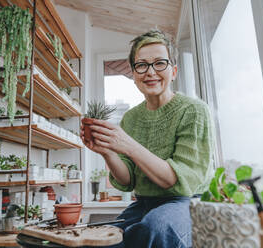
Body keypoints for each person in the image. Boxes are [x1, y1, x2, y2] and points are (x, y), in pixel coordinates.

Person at [80, 29, 214, 248]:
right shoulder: (131, 118)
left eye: (160, 63)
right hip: (143, 203)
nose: (150, 72)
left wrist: (128, 145)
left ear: (174, 71)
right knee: (102, 239)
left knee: (158, 228)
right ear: (134, 75)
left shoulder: (194, 110)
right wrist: (107, 151)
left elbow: (179, 182)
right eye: (141, 65)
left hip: (186, 202)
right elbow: (127, 181)